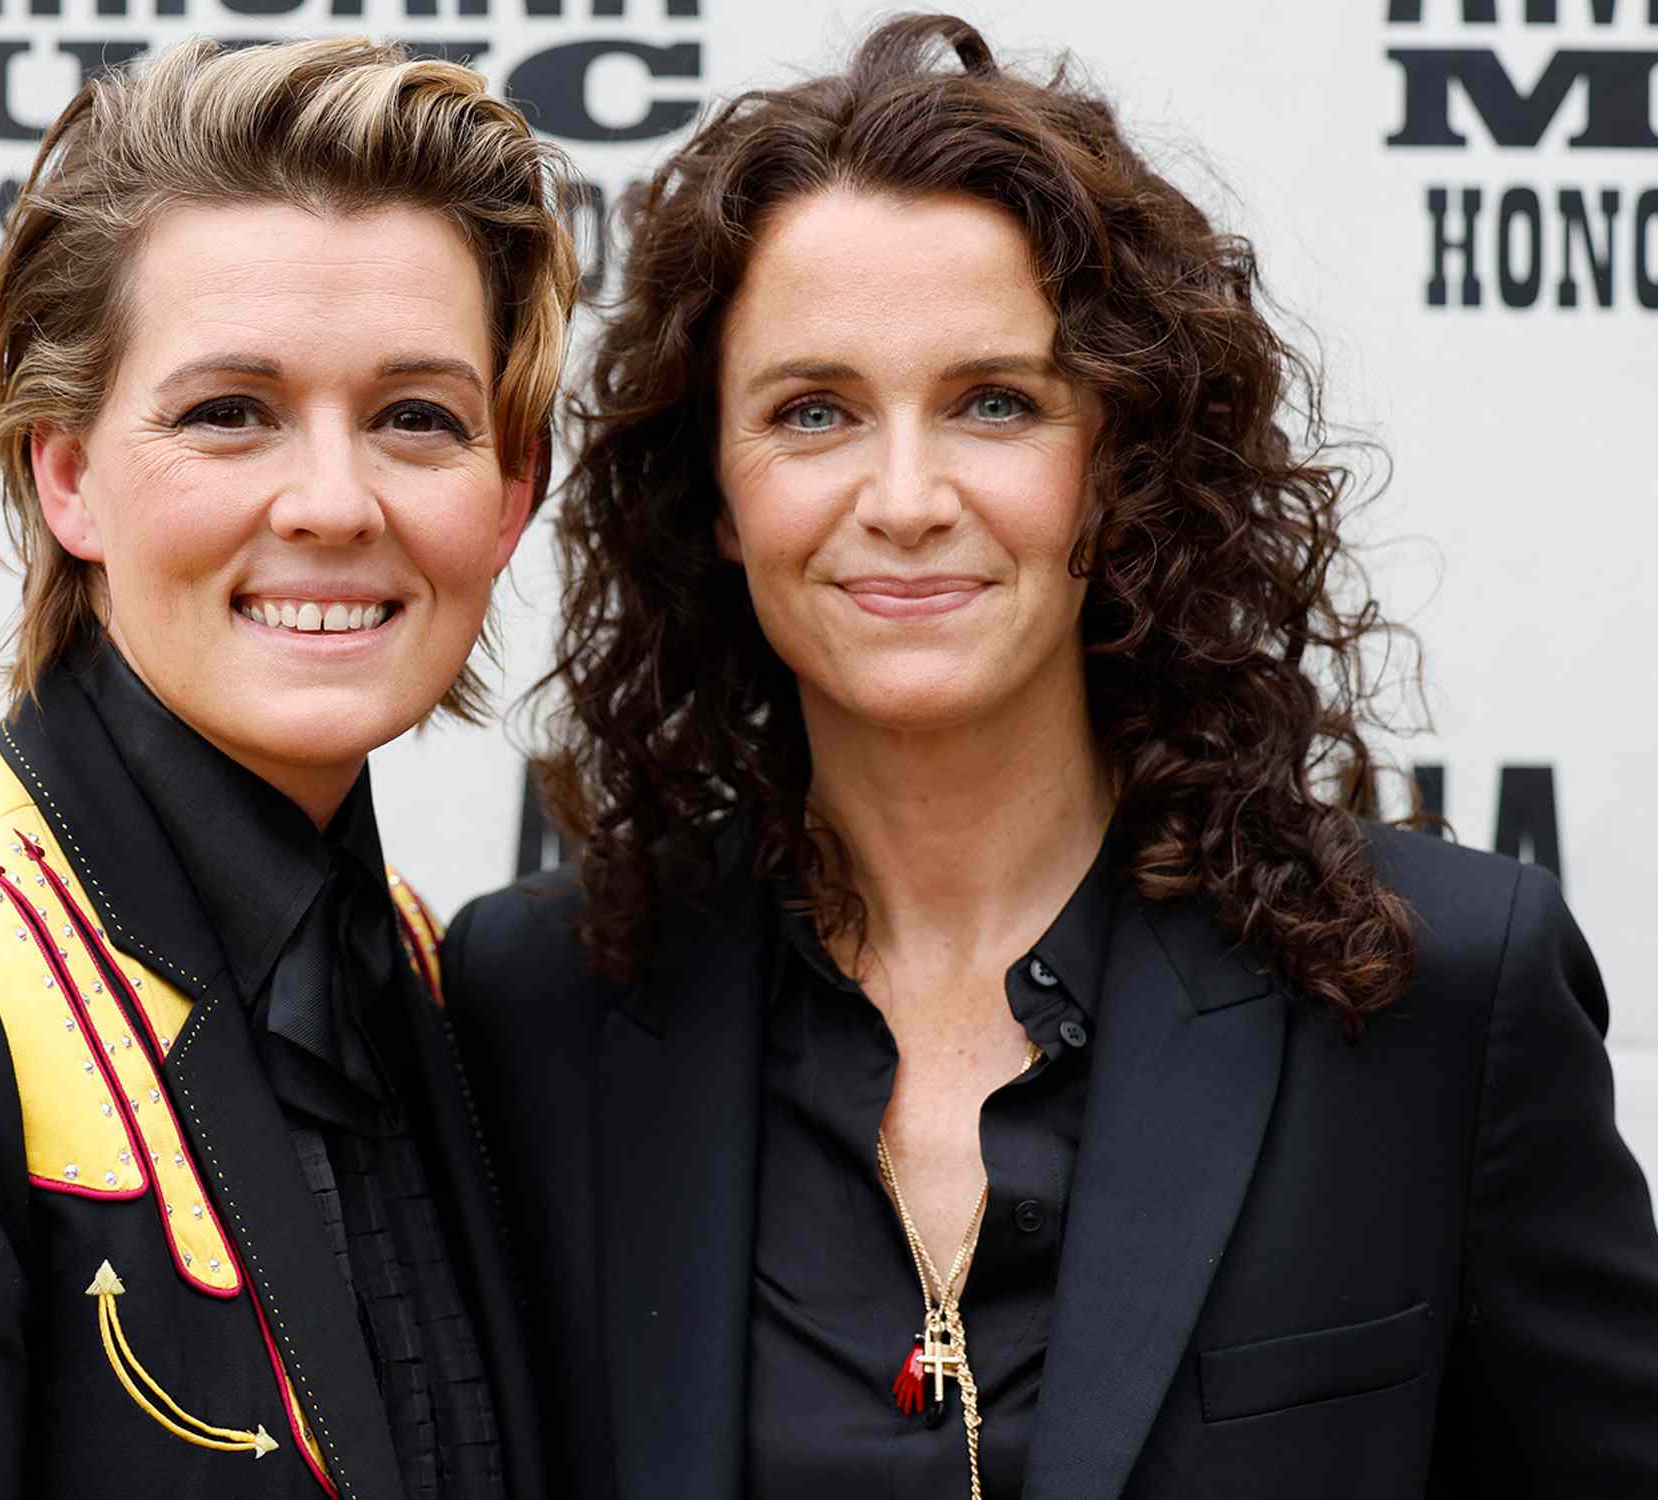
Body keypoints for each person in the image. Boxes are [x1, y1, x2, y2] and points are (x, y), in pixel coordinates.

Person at [439, 14, 1658, 1500]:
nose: (903, 497)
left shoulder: (1434, 992)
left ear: (1124, 460)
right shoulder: (538, 1005)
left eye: (994, 403)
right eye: (813, 410)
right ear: (714, 490)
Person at [0, 35, 579, 1500]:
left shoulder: (417, 962)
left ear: (511, 490)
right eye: (232, 412)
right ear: (66, 472)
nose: (334, 503)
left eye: (418, 417)